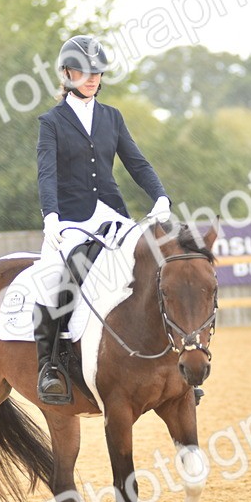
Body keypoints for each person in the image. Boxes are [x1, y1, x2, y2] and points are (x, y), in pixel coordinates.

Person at [32, 34, 171, 405]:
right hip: (71, 221)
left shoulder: (112, 117)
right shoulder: (52, 122)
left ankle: (171, 359)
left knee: (157, 263)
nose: (92, 78)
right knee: (55, 281)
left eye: (97, 72)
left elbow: (136, 162)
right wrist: (51, 217)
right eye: (84, 71)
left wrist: (160, 197)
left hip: (111, 214)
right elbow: (46, 173)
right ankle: (50, 365)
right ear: (66, 74)